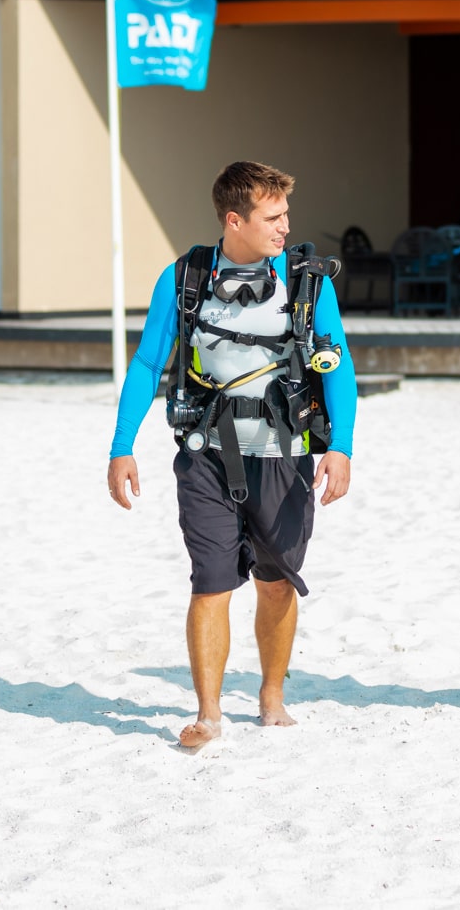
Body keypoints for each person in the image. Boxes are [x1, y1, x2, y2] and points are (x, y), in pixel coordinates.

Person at [107, 161, 356, 752]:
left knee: (275, 583)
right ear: (234, 219)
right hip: (206, 455)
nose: (284, 228)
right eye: (273, 218)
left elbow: (339, 363)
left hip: (283, 454)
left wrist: (340, 446)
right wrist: (122, 447)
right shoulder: (185, 276)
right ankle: (209, 713)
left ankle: (271, 696)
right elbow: (146, 364)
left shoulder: (308, 282)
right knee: (210, 583)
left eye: (286, 215)